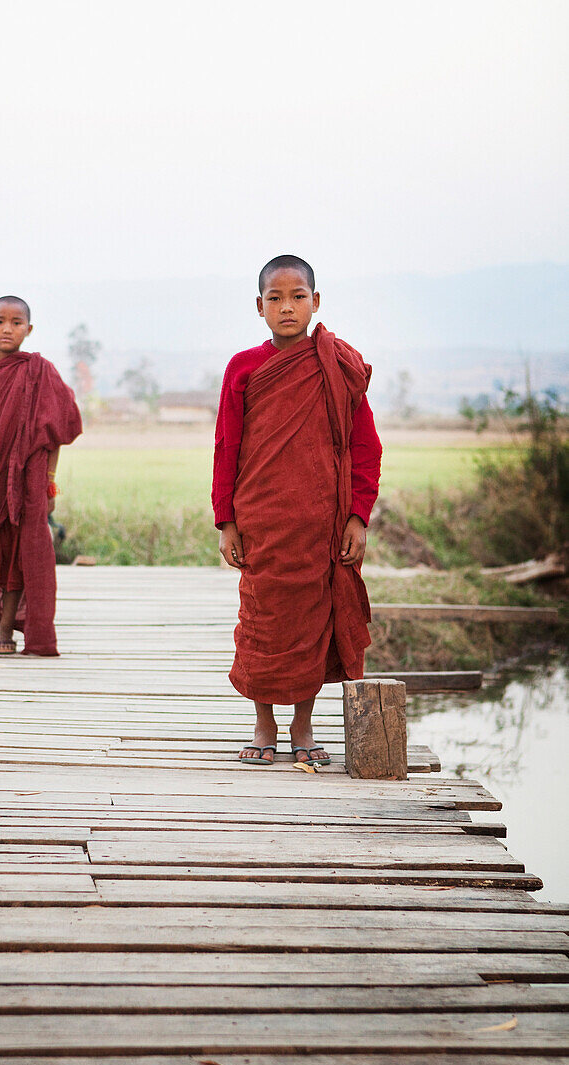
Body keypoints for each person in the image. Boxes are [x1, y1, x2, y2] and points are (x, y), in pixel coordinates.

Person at [212, 256, 382, 765]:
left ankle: (303, 724)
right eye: (275, 299)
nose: (287, 307)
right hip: (263, 519)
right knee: (263, 618)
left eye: (298, 296)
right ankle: (264, 723)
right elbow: (227, 445)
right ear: (259, 307)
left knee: (314, 622)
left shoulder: (337, 366)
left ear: (316, 301)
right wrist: (226, 521)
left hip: (322, 521)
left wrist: (358, 514)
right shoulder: (244, 367)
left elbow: (365, 446)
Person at [0, 295, 82, 656]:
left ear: (29, 329)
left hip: (24, 482)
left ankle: (5, 631)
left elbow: (59, 430)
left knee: (14, 554)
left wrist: (49, 482)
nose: (7, 329)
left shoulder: (39, 371)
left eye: (15, 322)